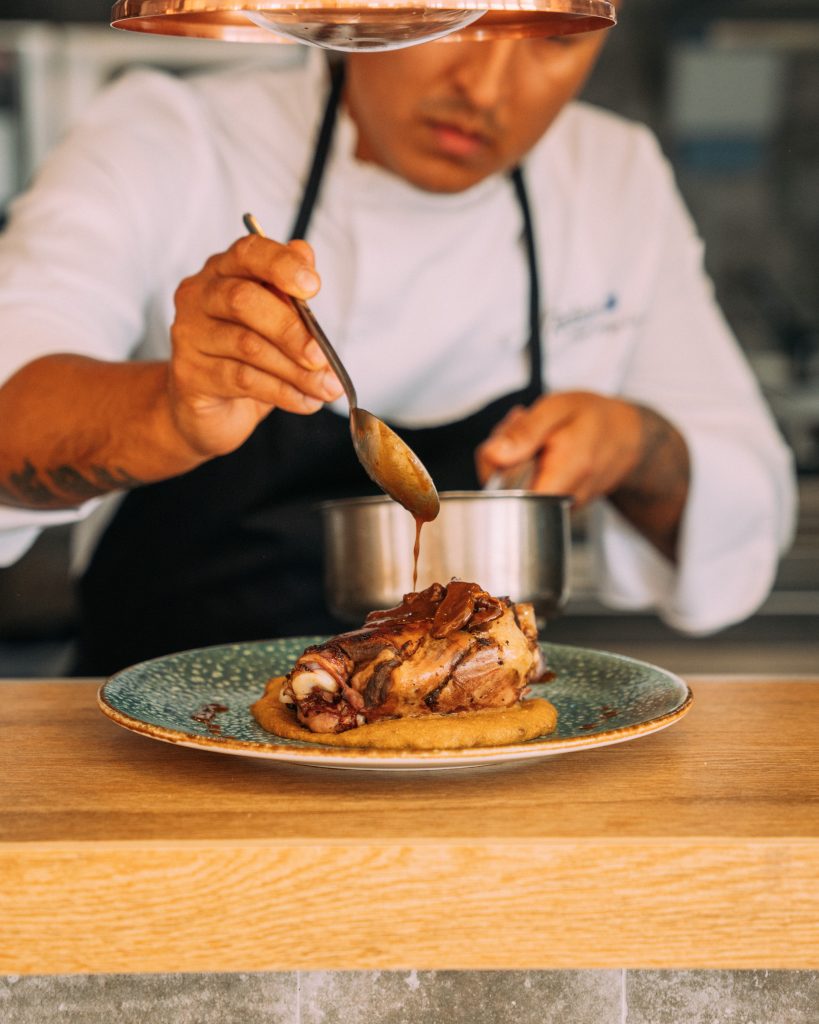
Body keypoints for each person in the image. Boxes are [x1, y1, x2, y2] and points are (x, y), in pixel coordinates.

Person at [0, 29, 796, 674]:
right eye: (448, 15)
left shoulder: (609, 175)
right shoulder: (169, 136)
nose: (485, 87)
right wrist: (170, 412)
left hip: (472, 767)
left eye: (551, 37)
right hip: (162, 753)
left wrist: (633, 442)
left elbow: (745, 505)